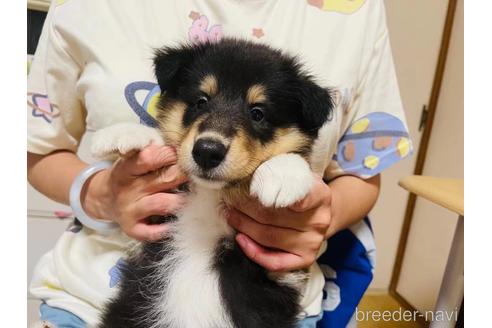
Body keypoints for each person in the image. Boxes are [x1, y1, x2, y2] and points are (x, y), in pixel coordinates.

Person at [27, 0, 412, 327]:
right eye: (200, 103)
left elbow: (361, 173)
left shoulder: (358, 11)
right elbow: (33, 147)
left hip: (258, 304)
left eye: (258, 113)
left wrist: (318, 212)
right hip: (93, 302)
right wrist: (99, 193)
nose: (216, 134)